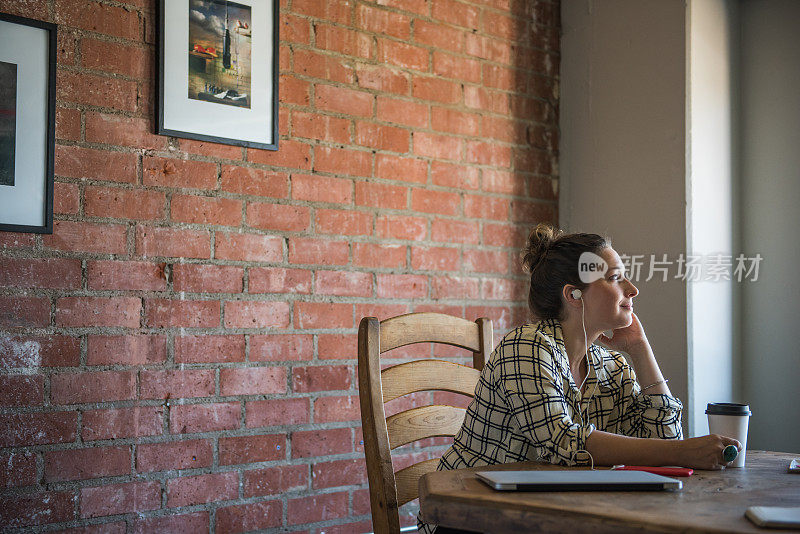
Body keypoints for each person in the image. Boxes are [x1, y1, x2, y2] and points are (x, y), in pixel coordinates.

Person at [418, 224, 741, 534]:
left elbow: (664, 443)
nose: (632, 289)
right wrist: (683, 452)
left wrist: (641, 351)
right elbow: (563, 442)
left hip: (550, 513)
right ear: (574, 295)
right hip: (472, 516)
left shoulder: (611, 364)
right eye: (615, 278)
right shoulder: (526, 346)